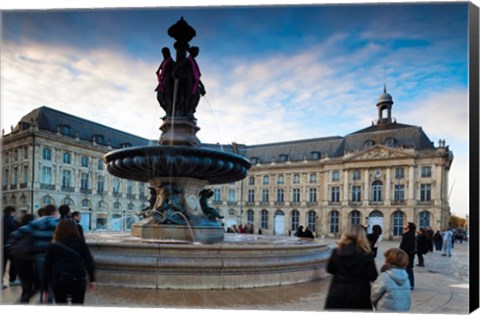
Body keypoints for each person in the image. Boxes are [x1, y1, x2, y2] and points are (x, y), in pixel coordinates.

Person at [9, 204, 59, 303]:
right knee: (51, 283)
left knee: (42, 282)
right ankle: (48, 303)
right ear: (54, 212)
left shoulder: (36, 223)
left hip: (39, 256)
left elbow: (18, 233)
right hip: (53, 257)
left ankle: (42, 302)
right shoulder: (57, 223)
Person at [324, 224, 378, 310]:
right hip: (360, 292)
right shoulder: (366, 253)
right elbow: (373, 275)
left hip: (338, 290)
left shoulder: (337, 251)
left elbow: (330, 269)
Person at [43, 220, 96, 304]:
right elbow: (89, 261)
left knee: (61, 304)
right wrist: (92, 279)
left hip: (59, 279)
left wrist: (45, 288)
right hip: (78, 278)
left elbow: (47, 267)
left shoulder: (53, 245)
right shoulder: (80, 243)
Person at [13, 213, 38, 303]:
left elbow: (12, 245)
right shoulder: (32, 232)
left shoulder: (18, 231)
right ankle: (23, 301)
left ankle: (23, 301)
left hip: (19, 261)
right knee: (36, 285)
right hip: (29, 261)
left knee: (26, 286)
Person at [2, 206, 19, 289]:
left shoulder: (3, 219)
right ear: (11, 212)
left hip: (3, 245)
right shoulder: (10, 220)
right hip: (9, 244)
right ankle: (12, 279)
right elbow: (14, 231)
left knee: (3, 263)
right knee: (14, 262)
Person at [155, 47, 175, 117]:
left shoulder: (170, 60)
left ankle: (169, 113)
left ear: (168, 52)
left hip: (168, 81)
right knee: (159, 97)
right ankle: (168, 111)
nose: (163, 54)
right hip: (162, 82)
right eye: (162, 53)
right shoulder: (164, 61)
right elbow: (159, 69)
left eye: (164, 52)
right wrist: (158, 71)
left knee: (167, 97)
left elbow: (175, 67)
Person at [399, 222, 416, 290]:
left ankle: (410, 284)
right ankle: (407, 283)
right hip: (406, 254)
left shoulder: (410, 235)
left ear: (409, 227)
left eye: (406, 224)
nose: (404, 225)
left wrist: (401, 253)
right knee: (406, 269)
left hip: (407, 255)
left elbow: (408, 247)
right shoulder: (407, 234)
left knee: (408, 269)